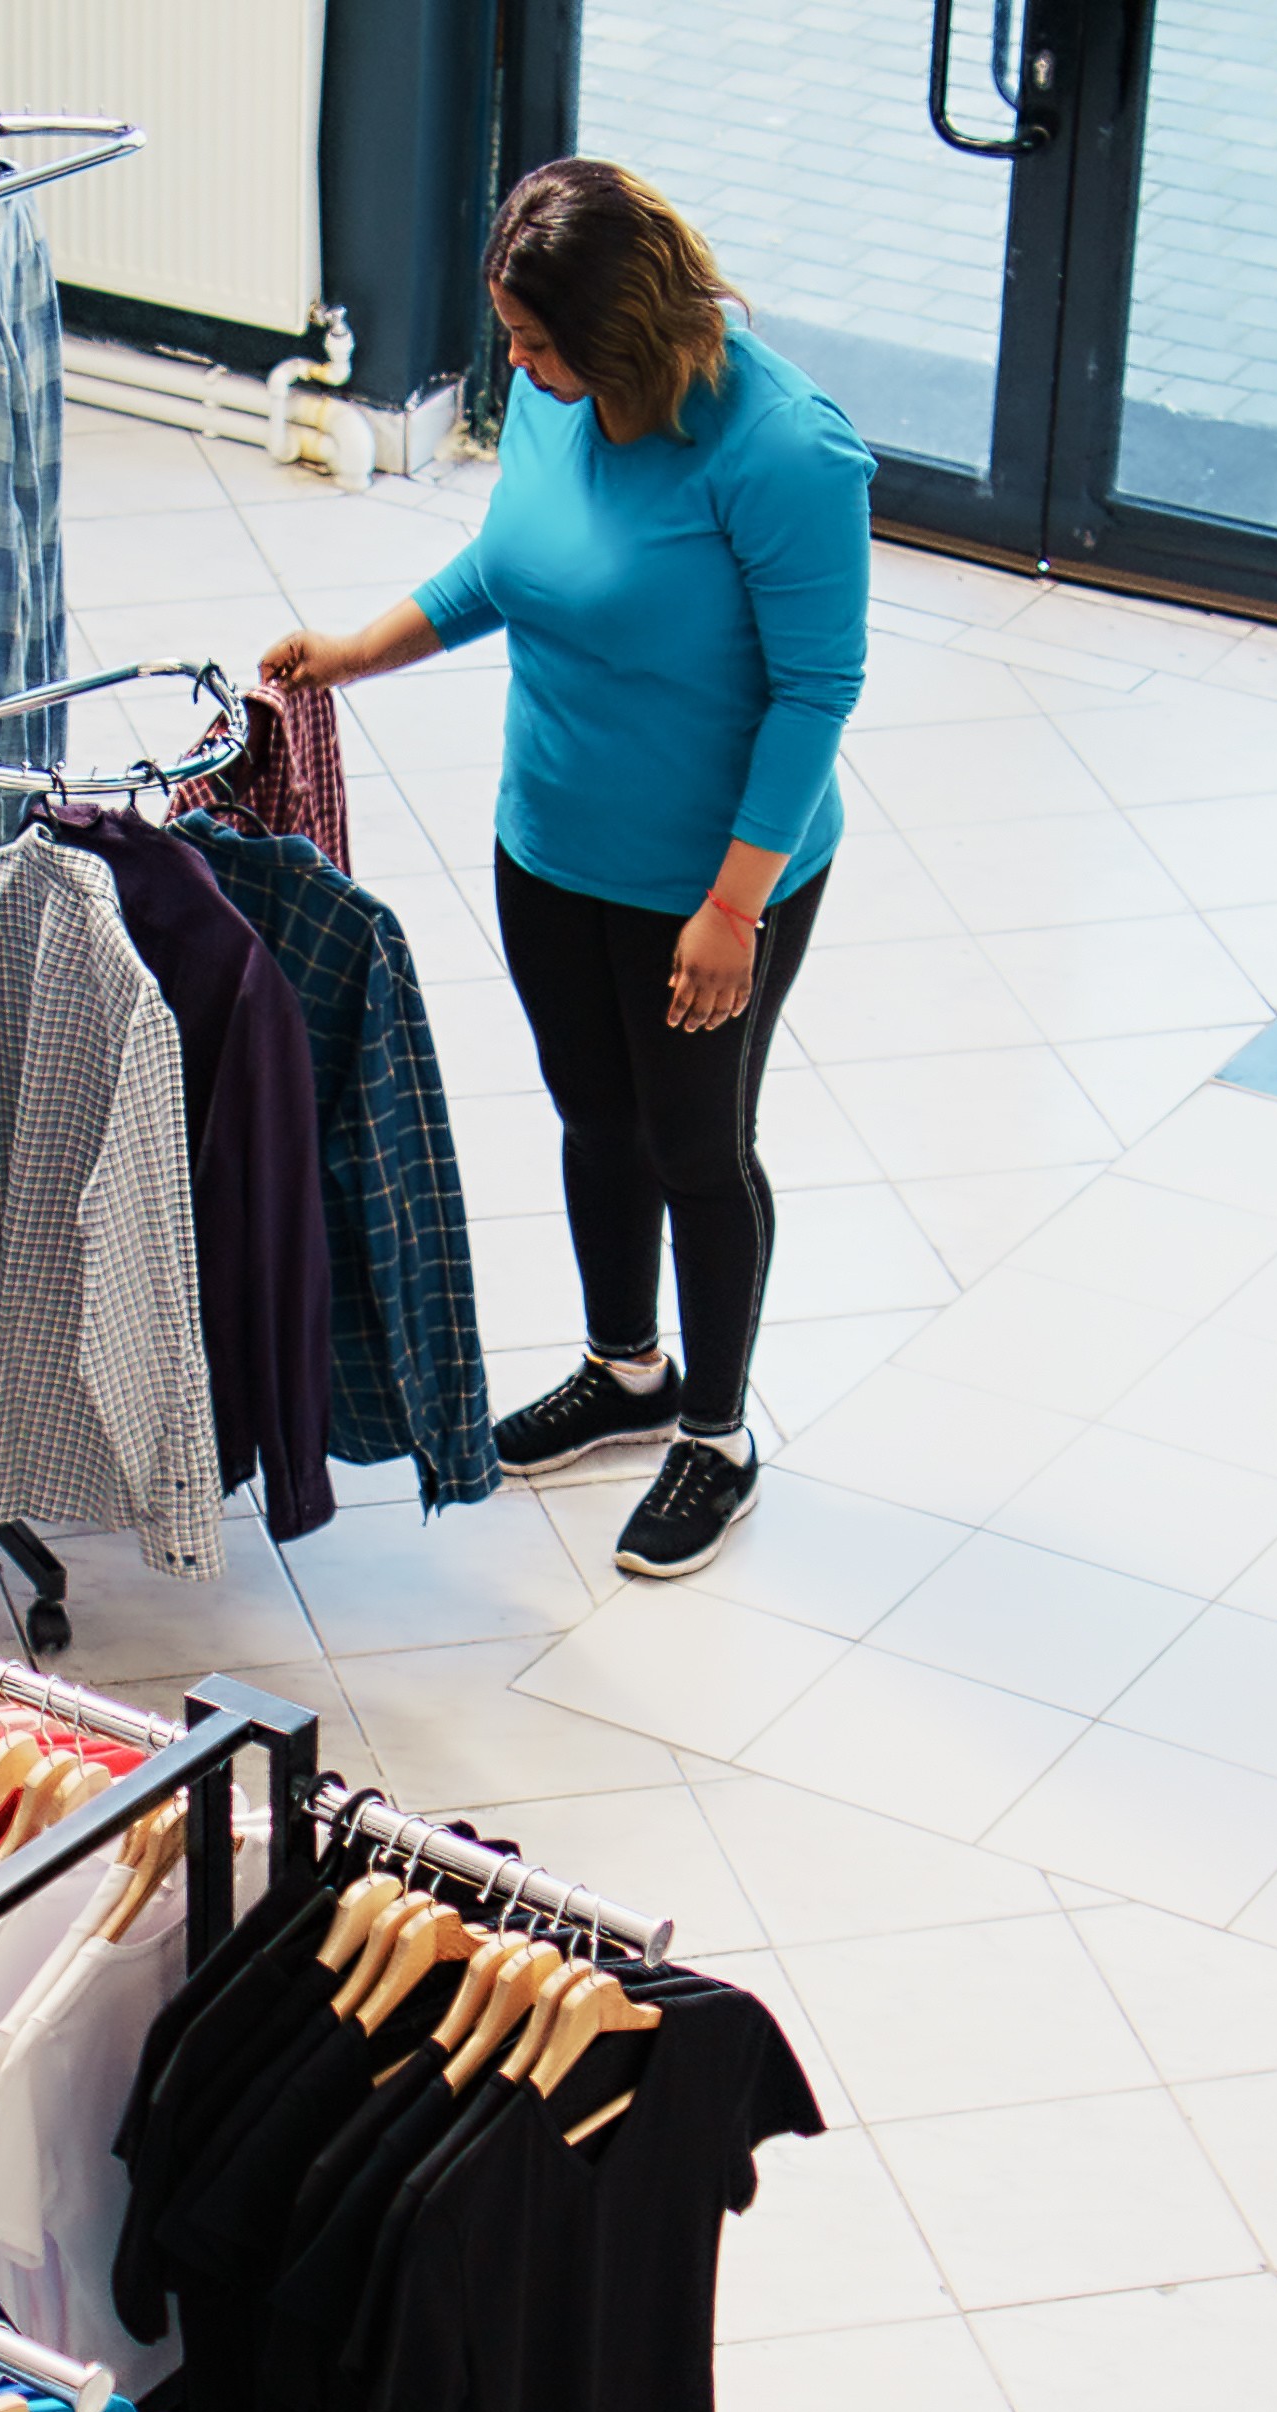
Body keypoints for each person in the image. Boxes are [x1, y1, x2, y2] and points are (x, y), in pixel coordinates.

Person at [259, 156, 867, 1580]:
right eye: (513, 340)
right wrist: (359, 649)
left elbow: (816, 691)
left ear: (627, 326)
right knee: (597, 1115)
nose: (516, 370)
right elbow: (506, 568)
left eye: (538, 343)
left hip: (712, 882)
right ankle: (626, 1371)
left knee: (697, 1148)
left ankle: (714, 1436)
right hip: (551, 841)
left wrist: (735, 905)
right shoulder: (553, 398)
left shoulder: (783, 449)